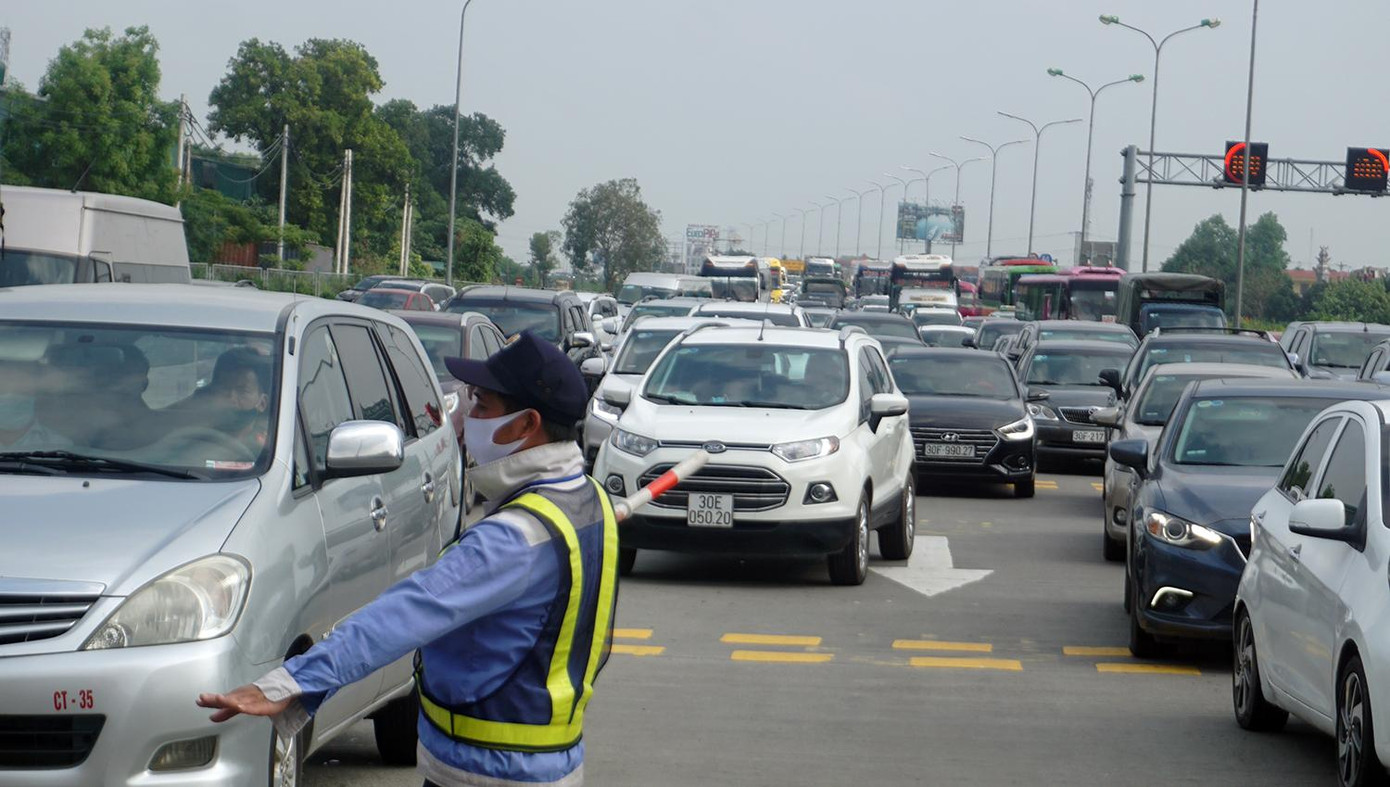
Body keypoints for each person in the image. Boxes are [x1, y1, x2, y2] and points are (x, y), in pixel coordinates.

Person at [197, 332, 619, 787]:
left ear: (525, 425)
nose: (468, 418)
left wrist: (292, 682)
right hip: (552, 762)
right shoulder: (588, 500)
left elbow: (408, 611)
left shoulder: (516, 538)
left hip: (487, 772)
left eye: (482, 406)